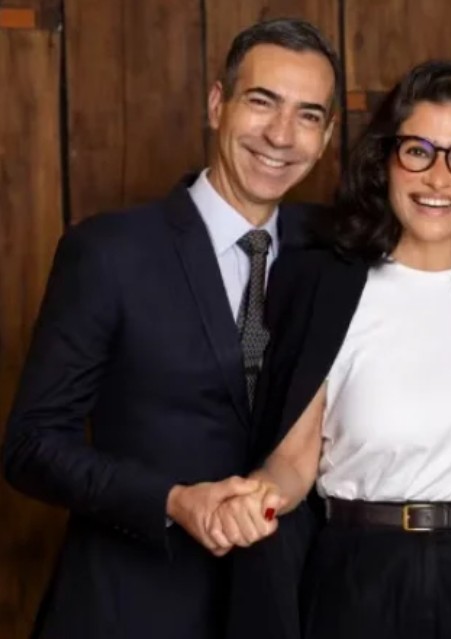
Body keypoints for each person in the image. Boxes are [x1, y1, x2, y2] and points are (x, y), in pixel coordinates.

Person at [2, 18, 340, 639]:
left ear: (326, 137)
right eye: (262, 101)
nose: (281, 134)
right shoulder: (109, 252)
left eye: (308, 115)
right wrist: (172, 500)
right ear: (217, 105)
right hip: (128, 606)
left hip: (278, 607)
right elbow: (31, 446)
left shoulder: (335, 252)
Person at [211, 60, 451, 639]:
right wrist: (253, 500)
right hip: (361, 573)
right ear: (385, 162)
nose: (438, 179)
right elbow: (293, 462)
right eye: (418, 151)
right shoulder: (334, 291)